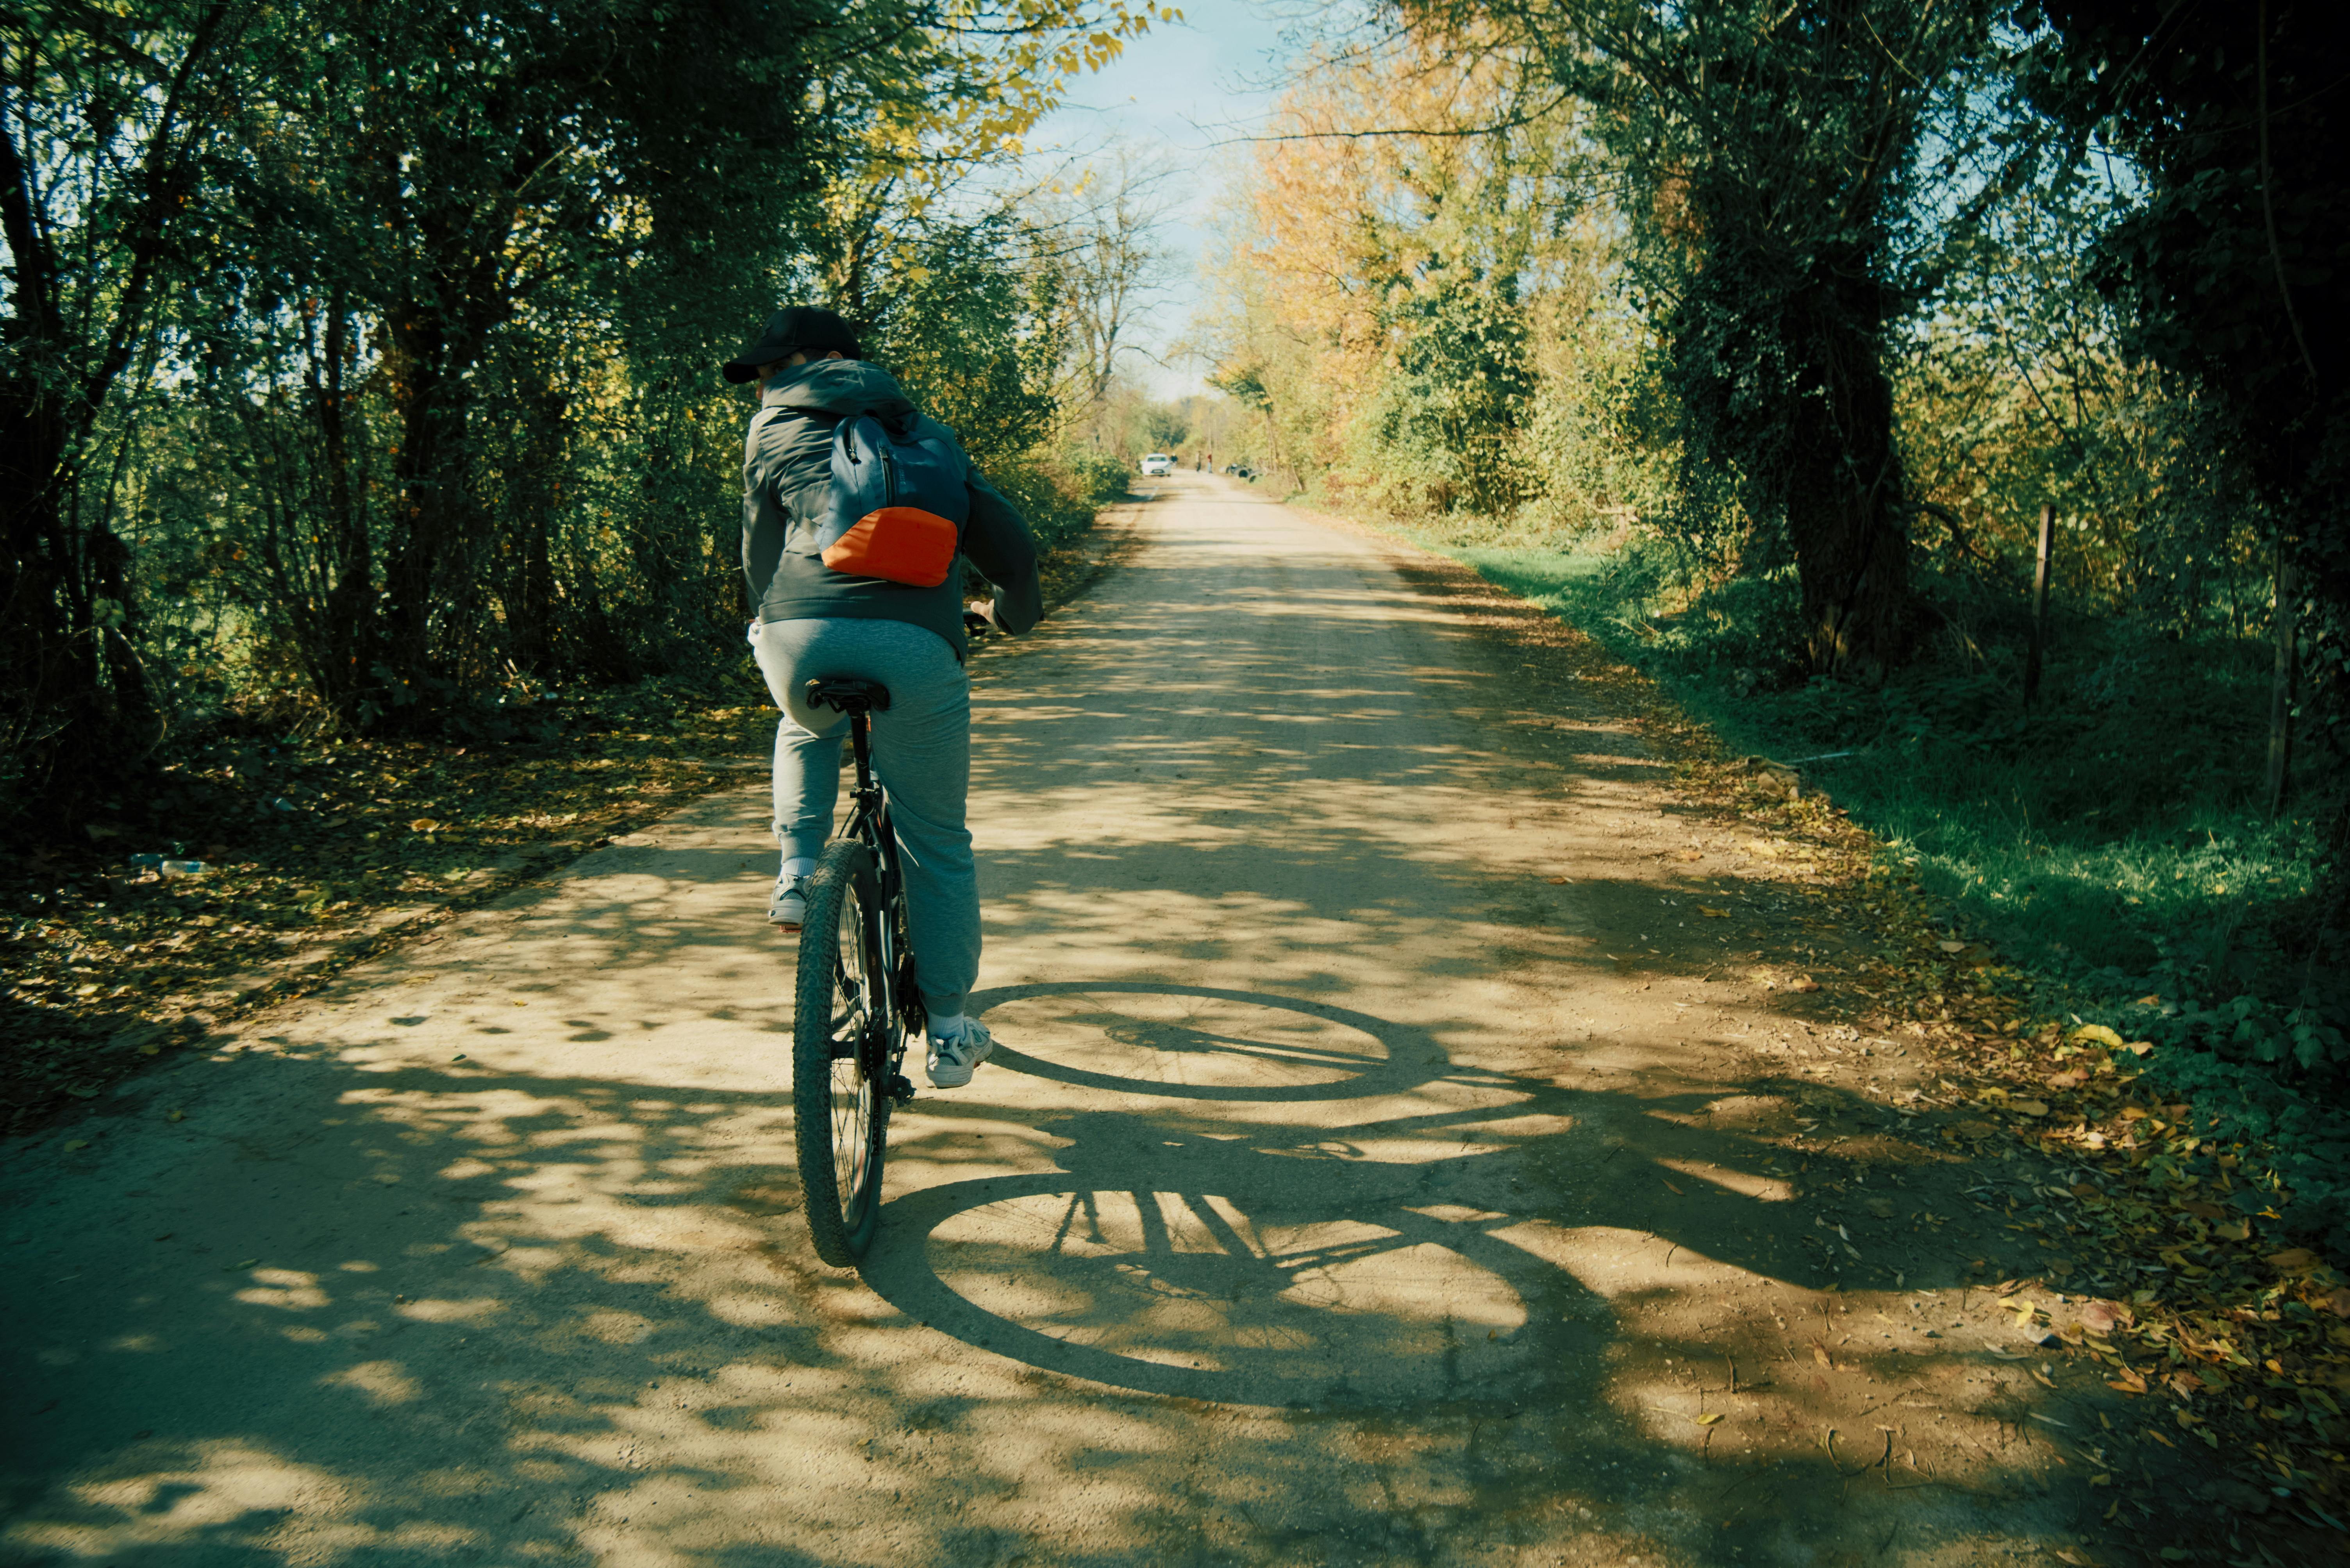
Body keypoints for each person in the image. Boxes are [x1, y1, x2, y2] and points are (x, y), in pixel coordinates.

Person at [725, 305, 1042, 1089]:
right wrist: (1007, 616)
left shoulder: (770, 432)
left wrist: (776, 621)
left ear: (822, 357)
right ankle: (946, 1032)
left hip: (799, 634)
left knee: (805, 719)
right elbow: (1010, 546)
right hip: (919, 644)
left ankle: (799, 872)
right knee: (934, 841)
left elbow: (757, 553)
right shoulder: (927, 434)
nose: (763, 380)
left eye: (771, 364)